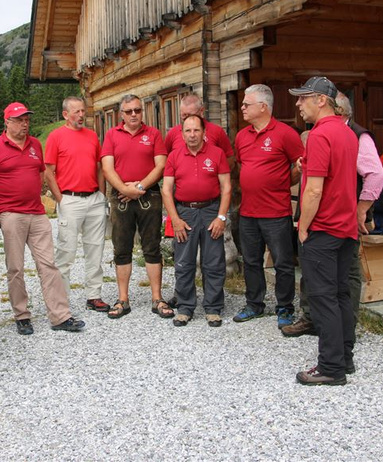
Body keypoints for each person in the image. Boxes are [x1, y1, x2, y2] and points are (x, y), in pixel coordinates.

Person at [283, 92, 383, 338]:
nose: (298, 105)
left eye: (303, 99)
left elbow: (375, 174)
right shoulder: (336, 133)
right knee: (321, 282)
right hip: (329, 217)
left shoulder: (353, 135)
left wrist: (361, 209)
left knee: (339, 285)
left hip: (335, 220)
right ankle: (329, 335)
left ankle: (337, 342)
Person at [0, 102, 85, 335]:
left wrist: (33, 195)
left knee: (48, 264)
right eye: (19, 120)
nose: (25, 124)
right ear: (7, 122)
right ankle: (22, 315)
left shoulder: (36, 144)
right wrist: (2, 205)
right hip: (11, 215)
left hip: (36, 213)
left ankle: (60, 316)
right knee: (15, 267)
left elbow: (40, 173)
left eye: (27, 119)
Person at [289, 77, 358, 386]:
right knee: (342, 295)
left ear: (321, 100)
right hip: (346, 227)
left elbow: (314, 191)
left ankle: (330, 367)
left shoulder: (318, 136)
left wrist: (302, 227)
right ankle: (344, 356)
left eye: (303, 98)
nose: (298, 104)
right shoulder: (347, 133)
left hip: (324, 227)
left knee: (323, 299)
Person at [232, 84, 303, 328]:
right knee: (251, 261)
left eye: (246, 104)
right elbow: (243, 167)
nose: (242, 108)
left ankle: (285, 307)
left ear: (263, 107)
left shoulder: (285, 134)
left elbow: (300, 166)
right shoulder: (242, 136)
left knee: (283, 263)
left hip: (276, 212)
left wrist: (284, 179)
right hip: (248, 212)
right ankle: (254, 304)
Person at [101, 94, 170, 319]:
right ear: (121, 114)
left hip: (148, 194)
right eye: (129, 111)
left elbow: (161, 165)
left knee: (152, 246)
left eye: (137, 110)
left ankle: (157, 298)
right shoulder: (111, 135)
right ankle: (123, 299)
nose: (134, 114)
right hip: (120, 196)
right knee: (121, 248)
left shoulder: (154, 134)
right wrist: (124, 189)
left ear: (142, 112)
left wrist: (138, 187)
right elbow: (107, 168)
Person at [161, 115, 231, 327]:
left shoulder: (217, 154)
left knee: (214, 262)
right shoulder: (174, 156)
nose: (192, 135)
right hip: (185, 213)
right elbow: (166, 190)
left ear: (204, 133)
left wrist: (221, 217)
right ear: (182, 134)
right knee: (184, 263)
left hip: (211, 211)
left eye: (196, 131)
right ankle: (185, 307)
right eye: (188, 131)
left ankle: (213, 307)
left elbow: (226, 187)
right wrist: (175, 220)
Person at [44, 97, 109, 313]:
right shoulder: (56, 137)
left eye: (83, 111)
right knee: (66, 251)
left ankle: (94, 295)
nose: (81, 115)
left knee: (95, 249)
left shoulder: (92, 136)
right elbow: (48, 171)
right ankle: (62, 301)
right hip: (70, 199)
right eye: (76, 112)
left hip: (94, 199)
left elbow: (100, 167)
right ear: (65, 115)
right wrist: (60, 198)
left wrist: (101, 194)